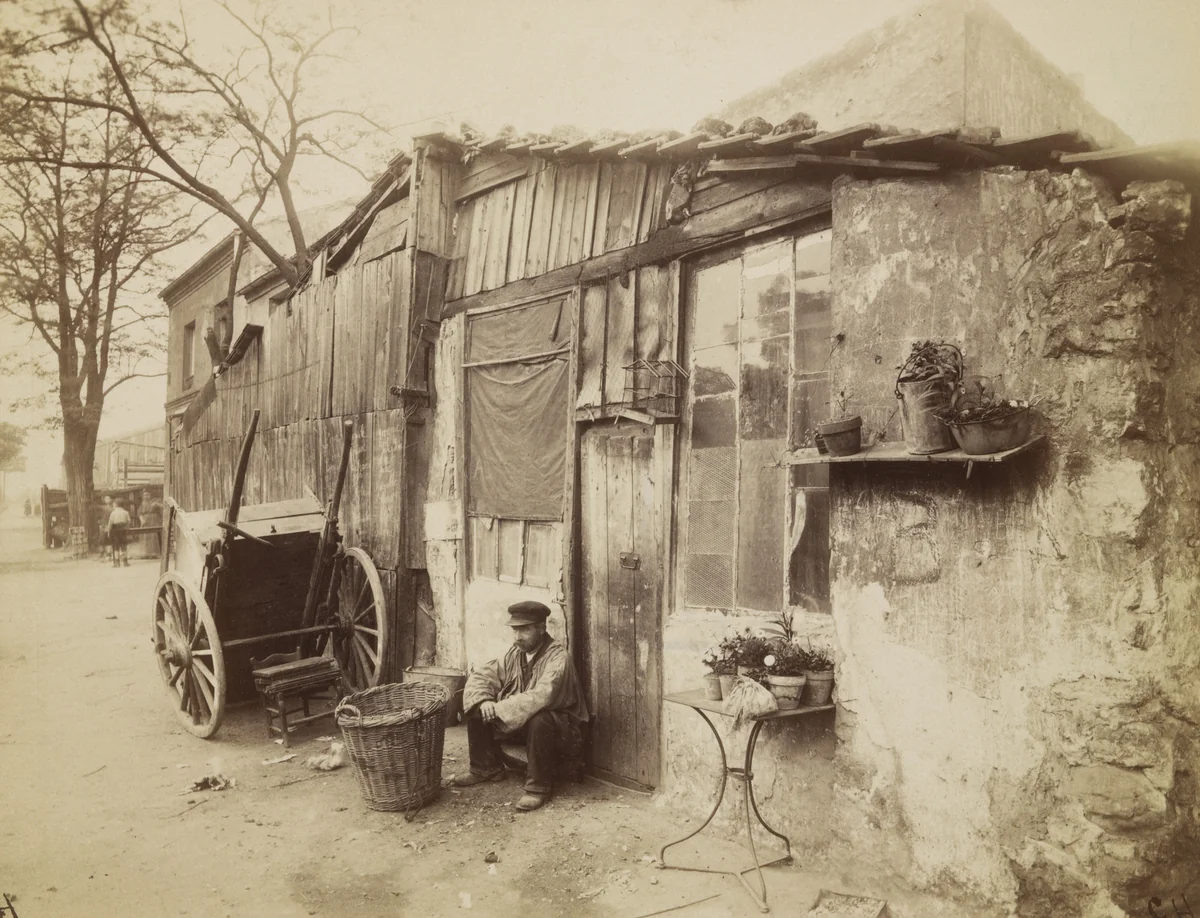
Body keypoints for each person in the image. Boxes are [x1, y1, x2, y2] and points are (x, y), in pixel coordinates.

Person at [454, 600, 588, 812]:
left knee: (540, 719)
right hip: (522, 723)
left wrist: (497, 709)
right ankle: (485, 768)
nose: (518, 637)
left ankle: (538, 787)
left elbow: (541, 696)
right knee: (478, 703)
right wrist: (484, 701)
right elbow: (483, 676)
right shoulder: (515, 654)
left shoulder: (558, 658)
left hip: (563, 734)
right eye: (515, 630)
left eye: (524, 629)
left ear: (542, 628)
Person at [107, 498, 132, 568]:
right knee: (124, 546)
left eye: (113, 504)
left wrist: (108, 531)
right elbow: (129, 521)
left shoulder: (113, 513)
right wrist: (126, 527)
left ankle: (117, 563)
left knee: (116, 547)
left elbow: (110, 523)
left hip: (115, 531)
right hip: (123, 530)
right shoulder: (126, 512)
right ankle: (125, 562)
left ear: (115, 504)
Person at [97, 495, 114, 561]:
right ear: (104, 500)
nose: (107, 499)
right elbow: (98, 516)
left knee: (109, 539)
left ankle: (109, 553)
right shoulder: (101, 508)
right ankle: (101, 553)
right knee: (102, 539)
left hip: (110, 525)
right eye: (106, 498)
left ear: (111, 499)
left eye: (108, 498)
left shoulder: (113, 508)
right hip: (103, 525)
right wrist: (100, 522)